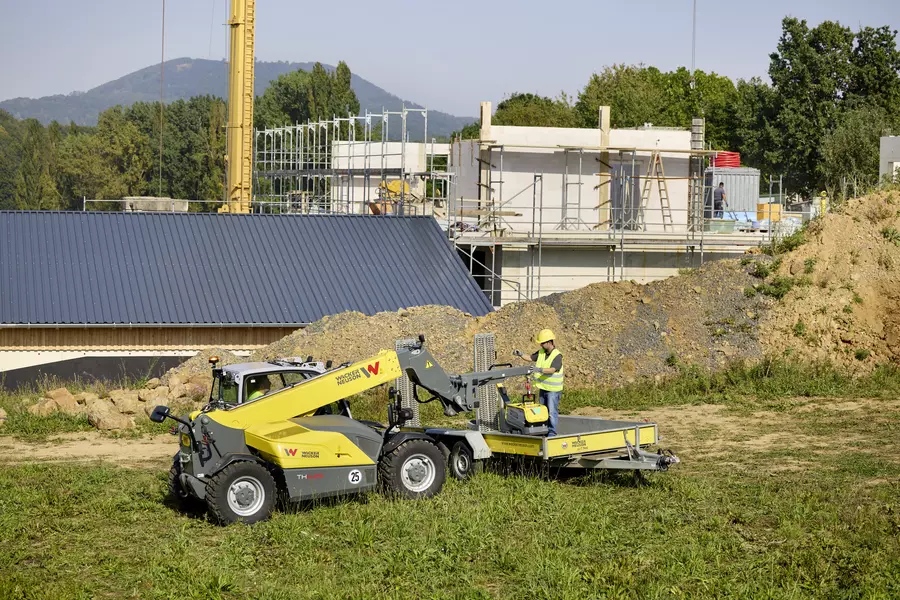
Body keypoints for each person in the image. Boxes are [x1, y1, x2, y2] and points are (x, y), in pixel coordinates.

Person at [529, 329, 564, 437]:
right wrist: (520, 354)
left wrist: (539, 370)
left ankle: (552, 433)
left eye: (543, 343)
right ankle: (544, 430)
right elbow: (530, 358)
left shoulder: (557, 355)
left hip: (553, 390)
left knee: (551, 412)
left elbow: (553, 369)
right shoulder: (541, 353)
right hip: (543, 387)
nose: (541, 344)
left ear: (549, 342)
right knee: (543, 411)